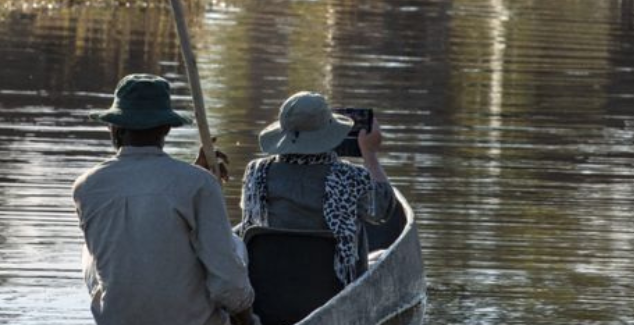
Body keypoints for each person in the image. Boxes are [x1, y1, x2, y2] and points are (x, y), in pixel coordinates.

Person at [73, 73, 257, 325]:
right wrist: (247, 320)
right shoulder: (198, 184)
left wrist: (197, 177)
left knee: (91, 248)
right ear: (167, 128)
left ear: (114, 127)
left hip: (117, 318)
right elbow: (228, 282)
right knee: (234, 244)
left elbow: (145, 209)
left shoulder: (86, 187)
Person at [237, 91, 396, 286]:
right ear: (329, 134)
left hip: (271, 284)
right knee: (382, 256)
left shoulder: (256, 173)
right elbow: (383, 211)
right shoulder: (350, 177)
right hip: (330, 287)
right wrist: (370, 154)